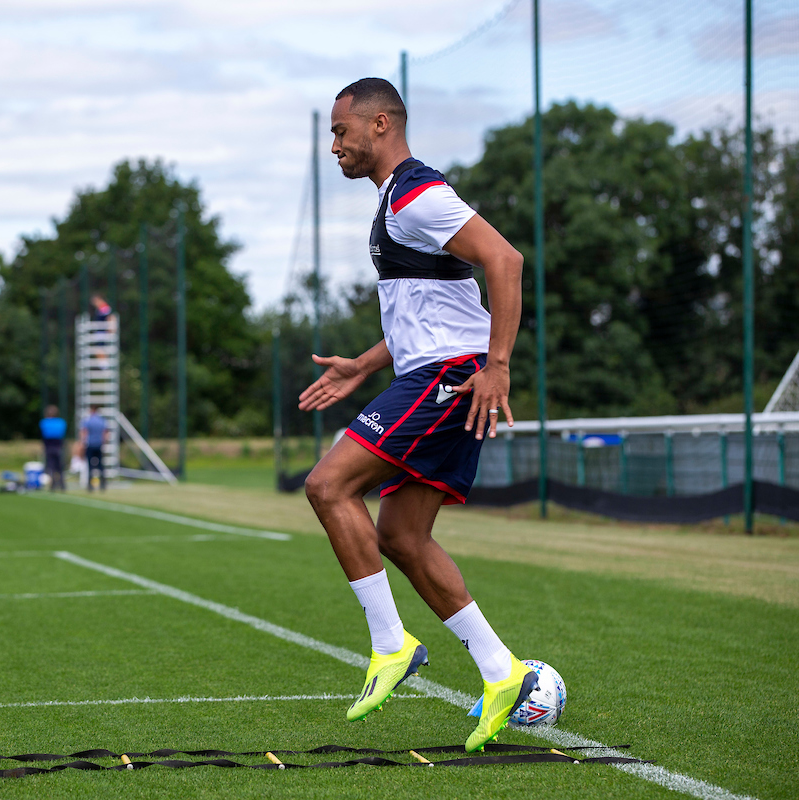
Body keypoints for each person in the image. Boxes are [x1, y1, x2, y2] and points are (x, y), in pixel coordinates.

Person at [299, 78, 529, 752]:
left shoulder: (415, 194)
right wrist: (366, 364)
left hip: (451, 380)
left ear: (380, 125)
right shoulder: (396, 202)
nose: (334, 145)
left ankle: (390, 643)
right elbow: (434, 307)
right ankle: (501, 670)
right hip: (439, 372)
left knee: (328, 485)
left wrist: (498, 365)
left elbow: (504, 260)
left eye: (341, 131)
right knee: (401, 536)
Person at [39, 405, 67, 492]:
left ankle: (53, 485)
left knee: (51, 467)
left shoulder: (44, 422)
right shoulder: (61, 422)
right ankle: (62, 485)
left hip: (49, 446)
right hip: (59, 446)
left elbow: (43, 434)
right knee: (60, 467)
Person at [81, 405, 107, 491]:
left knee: (90, 465)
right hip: (99, 444)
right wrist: (103, 442)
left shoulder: (88, 421)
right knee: (100, 465)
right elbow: (105, 433)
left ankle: (90, 485)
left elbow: (84, 432)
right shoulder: (102, 420)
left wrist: (82, 443)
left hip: (90, 445)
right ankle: (103, 484)